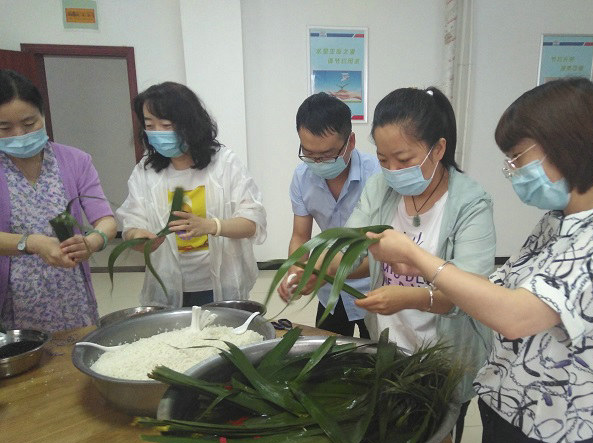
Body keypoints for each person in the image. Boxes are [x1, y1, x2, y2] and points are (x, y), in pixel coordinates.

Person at [365, 78, 593, 443]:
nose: (512, 170)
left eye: (517, 157)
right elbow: (494, 289)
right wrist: (422, 280)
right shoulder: (559, 220)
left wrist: (418, 257)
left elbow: (517, 315)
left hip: (554, 432)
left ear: (566, 144)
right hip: (506, 414)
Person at [341, 86, 497, 443]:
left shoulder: (470, 204)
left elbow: (468, 294)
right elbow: (356, 253)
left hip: (446, 358)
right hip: (391, 347)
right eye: (383, 159)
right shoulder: (380, 187)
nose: (392, 171)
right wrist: (314, 269)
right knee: (390, 438)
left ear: (438, 149)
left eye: (404, 159)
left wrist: (409, 297)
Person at [116, 82, 266, 308]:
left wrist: (211, 226)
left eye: (166, 125)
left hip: (221, 281)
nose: (157, 133)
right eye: (150, 125)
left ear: (190, 124)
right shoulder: (145, 172)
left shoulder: (224, 164)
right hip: (168, 284)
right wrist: (138, 237)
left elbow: (252, 222)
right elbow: (131, 224)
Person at [0, 69, 117, 332]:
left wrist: (92, 241)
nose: (19, 134)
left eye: (29, 123)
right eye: (4, 128)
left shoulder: (75, 160)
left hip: (72, 294)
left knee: (76, 352)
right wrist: (31, 243)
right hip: (15, 303)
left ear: (43, 115)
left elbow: (106, 220)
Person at [277, 92, 377, 337]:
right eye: (309, 154)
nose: (318, 162)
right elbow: (300, 236)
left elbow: (380, 255)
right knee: (329, 351)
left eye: (328, 154)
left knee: (375, 353)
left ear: (350, 142)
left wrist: (324, 272)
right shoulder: (302, 177)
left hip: (373, 288)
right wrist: (296, 270)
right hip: (330, 291)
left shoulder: (377, 176)